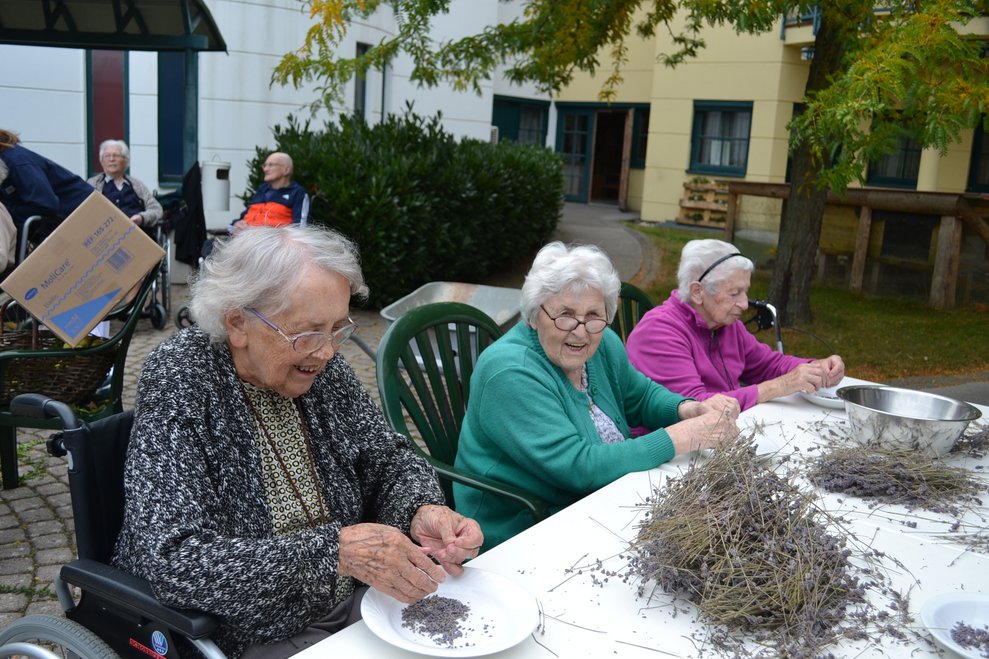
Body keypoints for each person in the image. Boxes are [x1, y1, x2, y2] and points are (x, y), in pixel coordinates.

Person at [111, 225, 483, 658]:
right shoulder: (183, 377)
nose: (326, 352)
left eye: (337, 329)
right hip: (248, 629)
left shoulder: (322, 368)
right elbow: (176, 559)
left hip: (357, 600)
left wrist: (419, 510)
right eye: (306, 333)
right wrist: (336, 554)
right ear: (237, 322)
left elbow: (387, 458)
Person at [453, 241, 740, 551]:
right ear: (535, 315)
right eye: (564, 315)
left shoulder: (601, 343)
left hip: (603, 500)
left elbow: (640, 397)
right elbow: (578, 467)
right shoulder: (509, 372)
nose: (580, 332)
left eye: (593, 315)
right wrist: (678, 438)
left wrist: (687, 409)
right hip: (524, 526)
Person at [625, 239, 845, 412]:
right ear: (697, 292)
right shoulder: (659, 332)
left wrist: (816, 367)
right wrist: (780, 386)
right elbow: (696, 406)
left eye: (745, 291)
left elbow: (767, 365)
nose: (743, 303)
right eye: (734, 292)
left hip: (721, 434)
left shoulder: (725, 324)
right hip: (671, 450)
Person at [0, 128, 94, 245]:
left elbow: (46, 203)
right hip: (65, 219)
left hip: (84, 212)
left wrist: (10, 214)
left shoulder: (17, 161)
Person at [86, 139, 163, 228]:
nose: (111, 159)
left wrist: (142, 218)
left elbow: (156, 209)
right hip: (106, 236)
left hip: (136, 234)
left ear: (125, 160)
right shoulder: (93, 184)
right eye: (107, 156)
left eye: (116, 155)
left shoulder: (137, 185)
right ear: (102, 161)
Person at [230, 151, 309, 231]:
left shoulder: (297, 193)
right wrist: (236, 224)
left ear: (286, 170)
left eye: (271, 165)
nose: (265, 169)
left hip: (271, 241)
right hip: (245, 238)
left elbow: (300, 229)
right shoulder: (262, 190)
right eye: (265, 165)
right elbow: (243, 218)